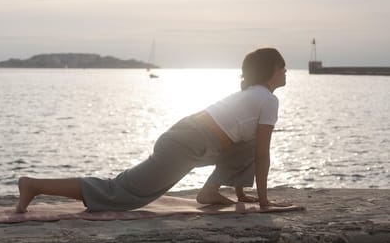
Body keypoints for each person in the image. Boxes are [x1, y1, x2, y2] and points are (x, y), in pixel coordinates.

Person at [16, 47, 297, 214]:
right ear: (269, 72)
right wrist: (264, 203)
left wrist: (241, 192)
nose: (286, 72)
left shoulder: (253, 95)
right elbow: (262, 155)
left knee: (245, 143)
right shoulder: (267, 100)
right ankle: (35, 185)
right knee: (119, 193)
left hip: (192, 137)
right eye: (282, 67)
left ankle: (210, 192)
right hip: (187, 144)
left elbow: (247, 147)